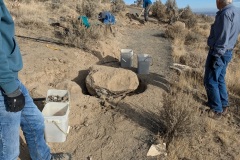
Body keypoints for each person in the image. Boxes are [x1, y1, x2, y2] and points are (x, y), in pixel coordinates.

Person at [0, 1, 71, 159]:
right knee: (8, 150)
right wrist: (10, 88)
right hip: (4, 85)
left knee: (35, 121)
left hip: (10, 78)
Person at [204, 0, 240, 119]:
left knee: (210, 80)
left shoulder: (225, 13)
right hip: (228, 51)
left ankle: (216, 110)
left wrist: (216, 55)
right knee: (219, 78)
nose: (216, 2)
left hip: (219, 52)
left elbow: (222, 38)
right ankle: (223, 105)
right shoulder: (236, 11)